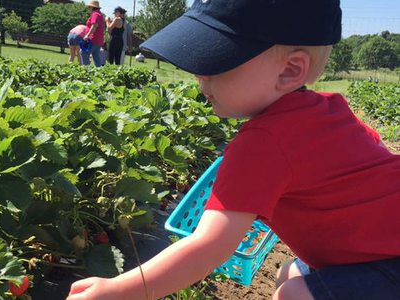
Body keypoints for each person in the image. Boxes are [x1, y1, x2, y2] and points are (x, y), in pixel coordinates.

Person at [67, 0, 400, 299]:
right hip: (379, 251)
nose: (200, 77)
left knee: (296, 295)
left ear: (289, 71)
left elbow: (207, 248)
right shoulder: (326, 109)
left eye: (216, 61)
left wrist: (121, 291)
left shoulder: (265, 141)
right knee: (290, 273)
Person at [82, 0, 104, 67]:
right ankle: (99, 71)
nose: (88, 8)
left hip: (92, 39)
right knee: (96, 56)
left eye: (89, 7)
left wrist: (87, 35)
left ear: (92, 7)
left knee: (83, 52)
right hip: (99, 40)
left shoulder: (95, 14)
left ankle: (86, 70)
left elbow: (94, 25)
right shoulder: (100, 14)